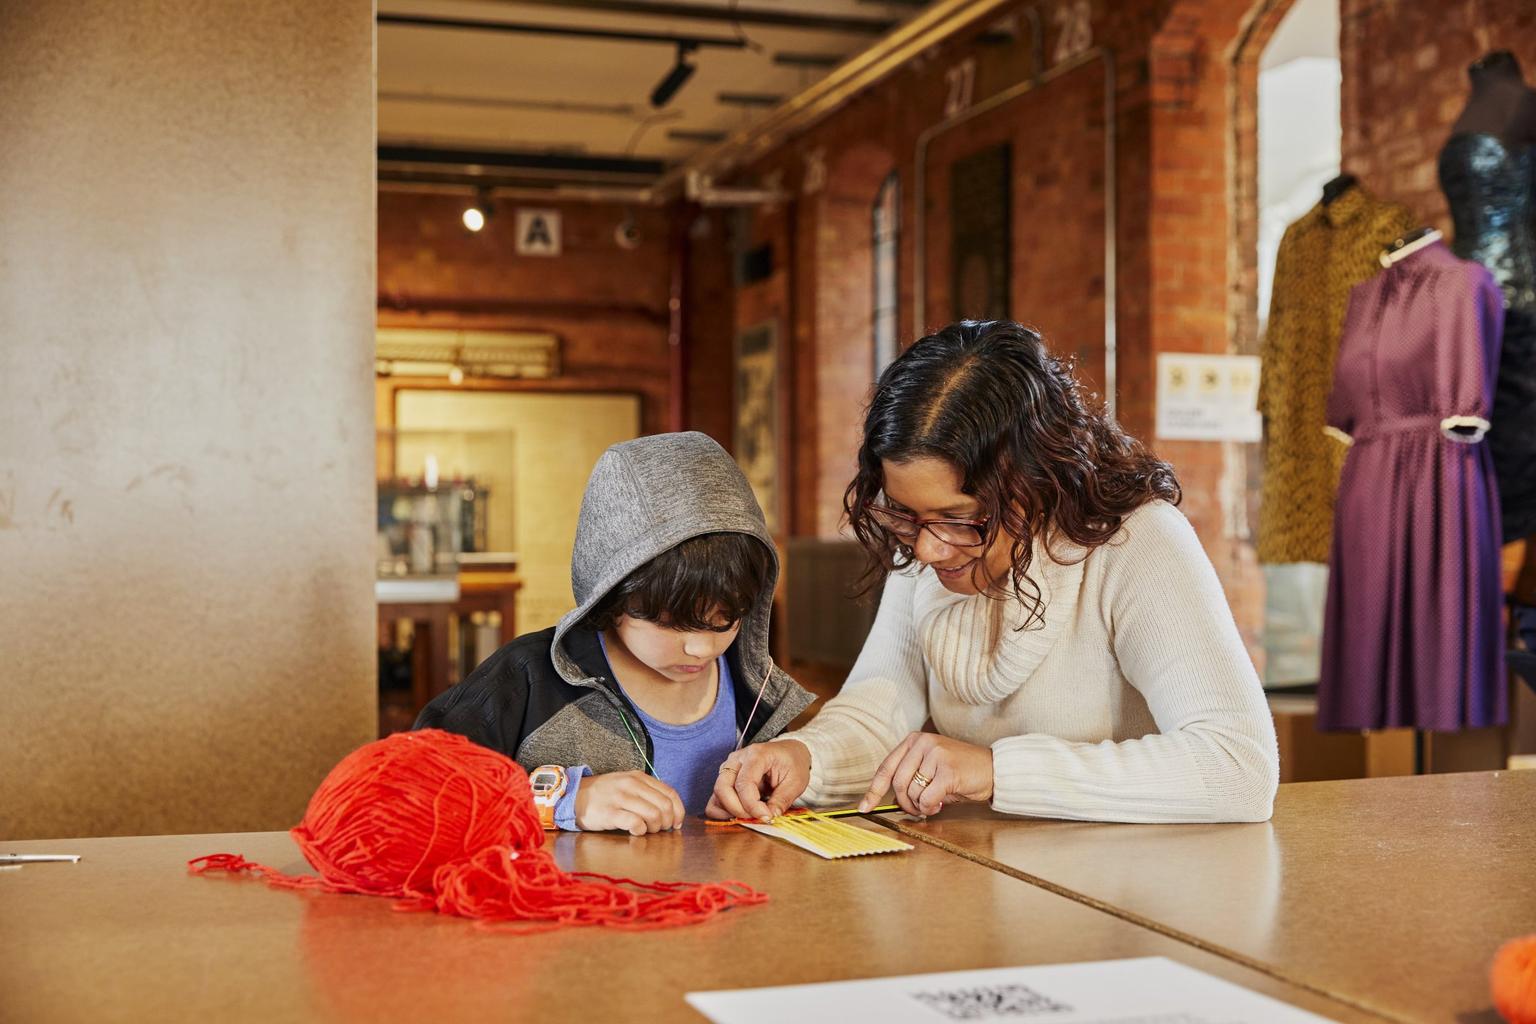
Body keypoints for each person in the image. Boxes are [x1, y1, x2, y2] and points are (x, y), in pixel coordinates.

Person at [710, 320, 1278, 825]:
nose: (928, 552)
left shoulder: (1137, 542)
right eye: (905, 516)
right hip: (991, 882)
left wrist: (995, 771)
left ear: (1036, 482)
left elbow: (1237, 767)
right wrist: (803, 759)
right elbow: (879, 709)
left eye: (961, 520)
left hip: (1132, 902)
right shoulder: (928, 545)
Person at [417, 431, 812, 835]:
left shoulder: (755, 690)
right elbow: (411, 786)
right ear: (611, 595)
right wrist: (565, 799)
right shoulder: (528, 677)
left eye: (725, 619)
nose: (700, 647)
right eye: (670, 622)